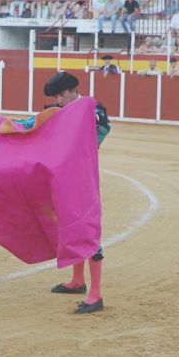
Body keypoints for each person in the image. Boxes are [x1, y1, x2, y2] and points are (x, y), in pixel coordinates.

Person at [39, 71, 111, 314]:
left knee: (87, 230)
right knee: (69, 226)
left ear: (73, 91)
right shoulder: (58, 111)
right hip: (64, 178)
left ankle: (96, 294)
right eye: (56, 97)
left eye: (62, 95)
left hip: (83, 178)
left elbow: (101, 131)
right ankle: (77, 281)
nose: (59, 100)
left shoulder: (94, 110)